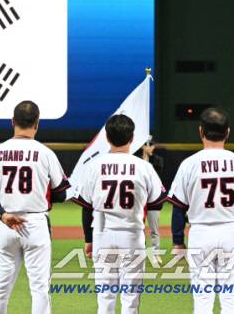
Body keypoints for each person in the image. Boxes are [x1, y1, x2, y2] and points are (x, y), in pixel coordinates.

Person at [0, 100, 70, 314]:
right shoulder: (45, 153)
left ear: (13, 122)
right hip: (35, 224)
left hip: (5, 224)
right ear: (37, 123)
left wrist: (2, 215)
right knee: (39, 289)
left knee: (0, 289)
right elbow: (61, 194)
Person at [71, 114, 167, 314]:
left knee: (105, 297)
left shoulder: (94, 166)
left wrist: (88, 239)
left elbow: (86, 206)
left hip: (102, 234)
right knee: (130, 298)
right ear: (132, 138)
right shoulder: (144, 167)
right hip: (132, 234)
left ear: (107, 137)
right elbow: (157, 202)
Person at [169, 108, 234, 313]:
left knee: (202, 300)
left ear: (201, 131)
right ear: (227, 132)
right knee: (231, 299)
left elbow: (179, 207)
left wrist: (178, 241)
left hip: (200, 234)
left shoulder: (189, 164)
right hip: (231, 233)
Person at [139, 140, 165, 264]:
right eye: (145, 145)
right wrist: (143, 159)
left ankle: (155, 254)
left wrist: (151, 156)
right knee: (139, 229)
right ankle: (141, 253)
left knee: (154, 230)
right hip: (139, 200)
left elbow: (159, 168)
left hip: (152, 200)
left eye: (150, 145)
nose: (148, 147)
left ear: (154, 147)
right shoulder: (136, 161)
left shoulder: (157, 160)